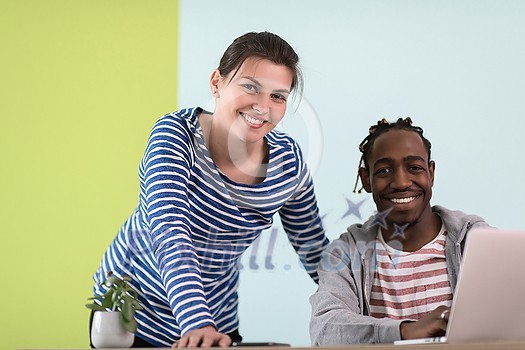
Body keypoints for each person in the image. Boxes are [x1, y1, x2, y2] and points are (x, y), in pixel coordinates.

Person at [90, 31, 329, 348]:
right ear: (217, 83)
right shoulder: (176, 135)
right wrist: (196, 322)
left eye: (278, 96)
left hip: (216, 321)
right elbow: (169, 228)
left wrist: (374, 315)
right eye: (250, 87)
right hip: (132, 314)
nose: (262, 106)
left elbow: (312, 246)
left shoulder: (288, 163)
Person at [309, 117, 489, 345]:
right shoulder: (346, 254)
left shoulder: (476, 241)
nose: (402, 182)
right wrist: (406, 331)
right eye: (384, 170)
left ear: (431, 173)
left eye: (414, 168)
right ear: (367, 179)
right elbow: (325, 329)